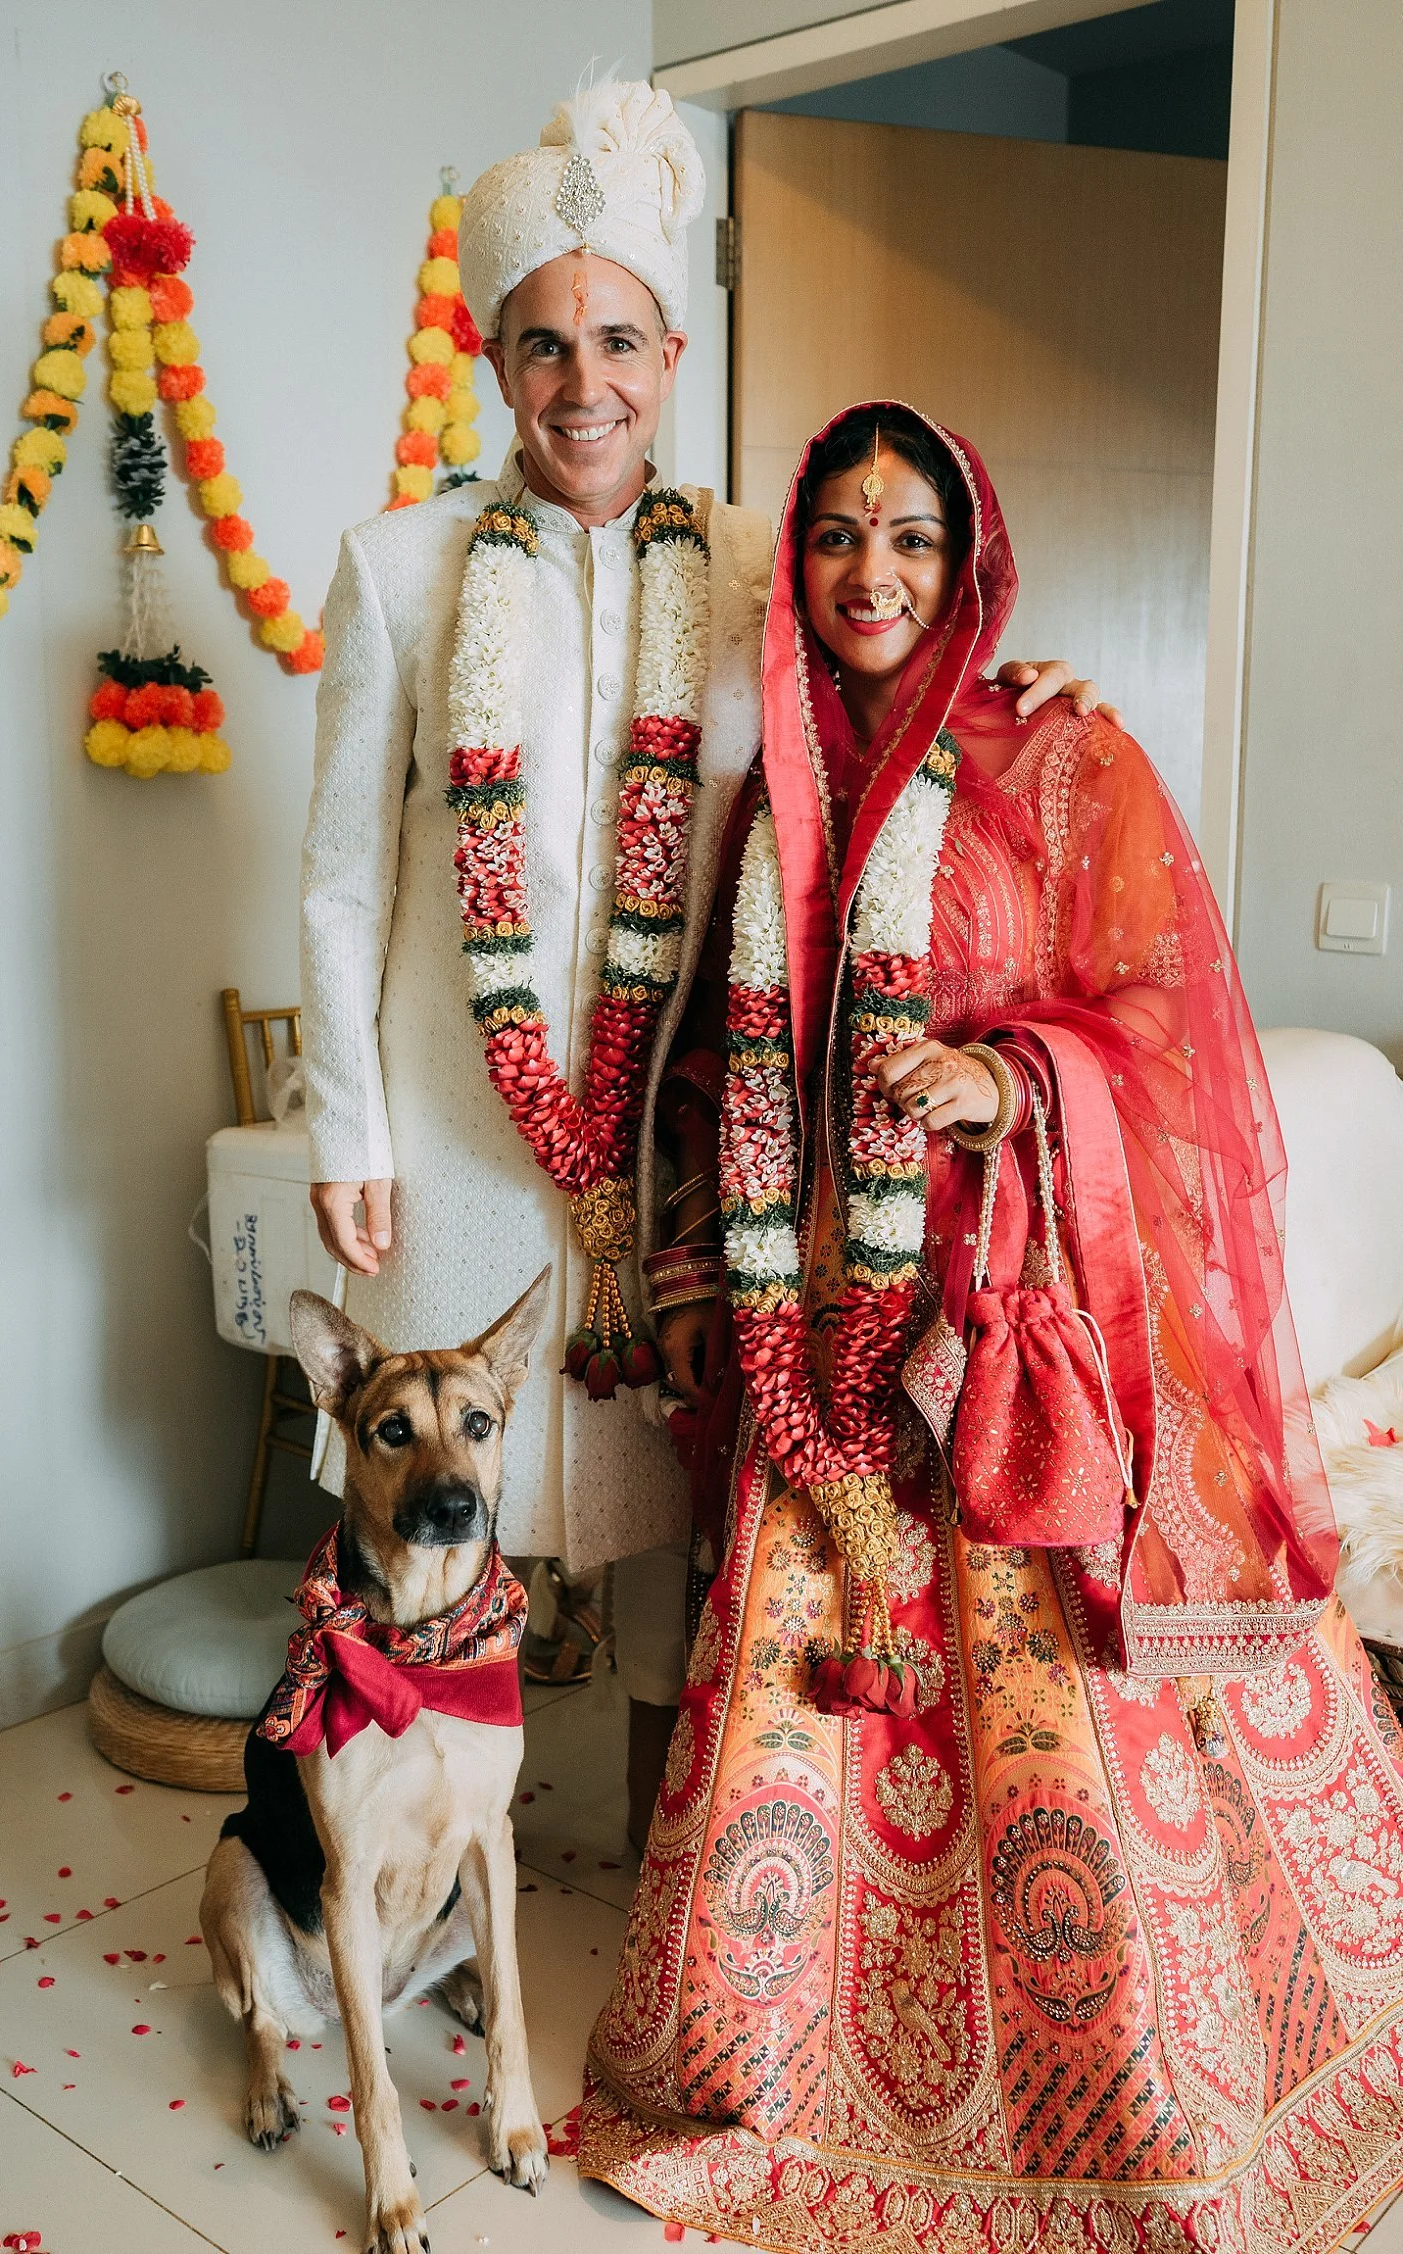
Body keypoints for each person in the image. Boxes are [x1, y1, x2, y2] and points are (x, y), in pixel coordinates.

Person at [581, 402, 1403, 2248]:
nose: (870, 575)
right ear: (792, 559)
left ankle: (1112, 2068)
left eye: (913, 541)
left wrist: (1013, 1079)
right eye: (837, 537)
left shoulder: (1059, 751)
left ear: (970, 563)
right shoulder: (768, 787)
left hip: (1014, 1313)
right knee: (816, 1691)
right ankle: (812, 2049)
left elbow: (1171, 1015)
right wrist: (711, 1278)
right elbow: (721, 1057)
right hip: (827, 1335)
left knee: (1070, 1719)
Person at [300, 80, 1109, 1850]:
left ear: (671, 350)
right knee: (452, 1486)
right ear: (493, 359)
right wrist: (347, 1127)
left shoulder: (761, 557)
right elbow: (347, 879)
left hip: (696, 1118)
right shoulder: (398, 564)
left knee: (683, 1478)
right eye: (541, 346)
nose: (582, 382)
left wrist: (1025, 687)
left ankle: (678, 1846)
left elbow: (900, 662)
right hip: (459, 1105)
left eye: (617, 341)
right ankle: (439, 1848)